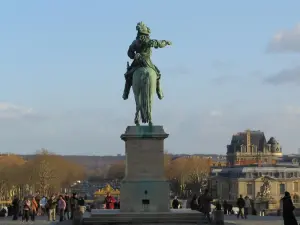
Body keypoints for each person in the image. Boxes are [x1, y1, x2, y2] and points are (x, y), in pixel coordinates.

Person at [122, 21, 172, 100]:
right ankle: (159, 92)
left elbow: (129, 52)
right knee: (157, 75)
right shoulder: (149, 41)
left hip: (137, 63)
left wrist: (134, 56)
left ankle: (125, 93)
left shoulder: (135, 42)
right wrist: (166, 42)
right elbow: (159, 44)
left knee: (128, 76)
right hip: (147, 63)